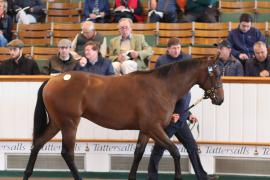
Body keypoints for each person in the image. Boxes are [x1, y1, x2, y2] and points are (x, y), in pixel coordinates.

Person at [147, 38, 217, 180]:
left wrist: (188, 113)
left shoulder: (187, 59)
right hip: (170, 116)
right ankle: (152, 177)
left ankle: (202, 176)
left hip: (182, 116)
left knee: (191, 146)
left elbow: (184, 92)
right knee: (159, 147)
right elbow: (158, 91)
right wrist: (171, 113)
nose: (176, 50)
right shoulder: (161, 61)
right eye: (173, 48)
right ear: (168, 49)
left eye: (178, 47)